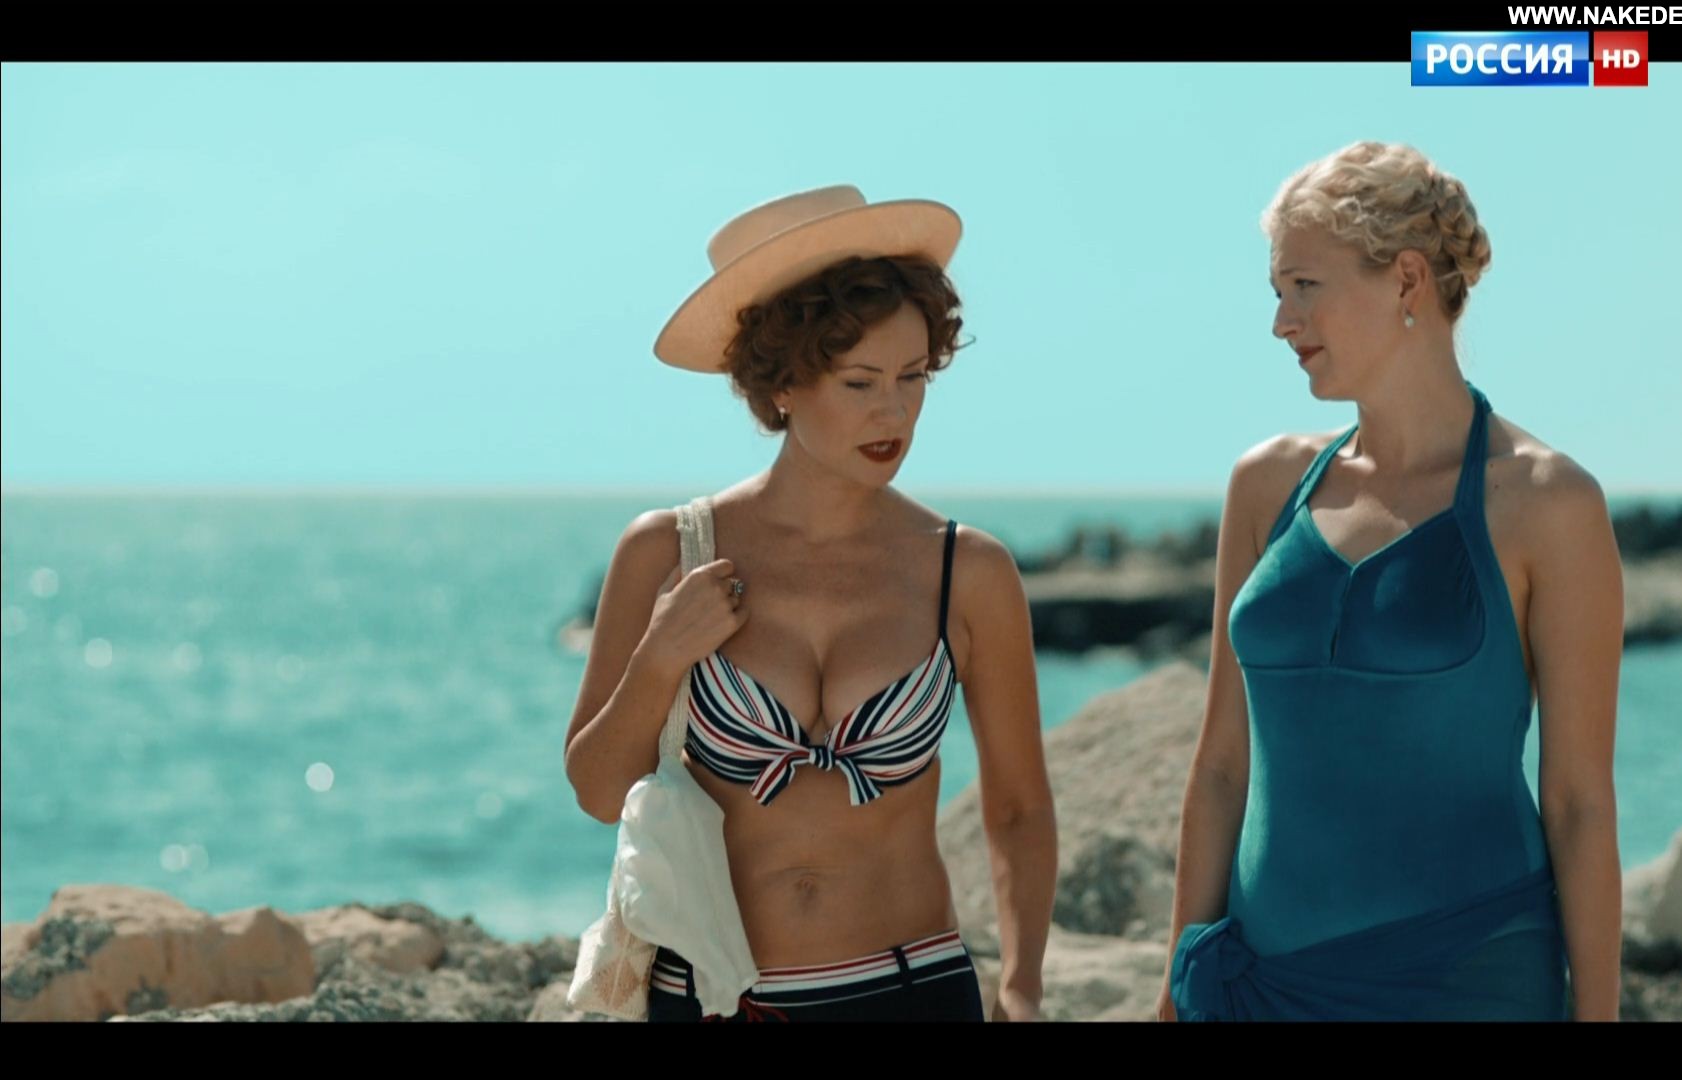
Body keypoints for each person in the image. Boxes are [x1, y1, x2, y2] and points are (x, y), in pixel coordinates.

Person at [563, 185, 1055, 1022]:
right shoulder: (667, 552)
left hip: (912, 991)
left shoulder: (967, 570)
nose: (893, 411)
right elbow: (598, 791)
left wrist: (1021, 985)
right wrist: (661, 656)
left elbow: (1018, 807)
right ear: (783, 383)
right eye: (860, 382)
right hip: (717, 999)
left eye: (913, 377)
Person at [1157, 143, 1624, 1021]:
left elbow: (1578, 802)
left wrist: (1596, 1014)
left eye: (1304, 286)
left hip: (1465, 982)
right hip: (1258, 986)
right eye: (1277, 292)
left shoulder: (1547, 502)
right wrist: (1182, 978)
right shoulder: (1266, 485)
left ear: (1407, 280)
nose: (1282, 321)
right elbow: (1221, 767)